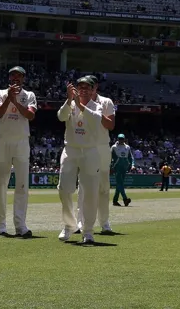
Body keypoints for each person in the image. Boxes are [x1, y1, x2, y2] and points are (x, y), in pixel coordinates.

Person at [56, 76, 103, 244]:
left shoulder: (97, 107)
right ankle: (69, 226)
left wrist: (79, 103)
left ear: (92, 90)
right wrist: (69, 100)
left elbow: (95, 120)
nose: (83, 90)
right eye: (80, 87)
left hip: (90, 152)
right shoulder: (71, 104)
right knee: (64, 189)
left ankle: (88, 231)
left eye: (87, 87)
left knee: (90, 192)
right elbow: (61, 117)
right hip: (70, 150)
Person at [0, 66, 37, 237]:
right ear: (9, 78)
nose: (16, 79)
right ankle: (1, 225)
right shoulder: (0, 93)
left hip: (21, 142)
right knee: (0, 184)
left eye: (19, 76)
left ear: (23, 78)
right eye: (13, 76)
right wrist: (8, 98)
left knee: (22, 185)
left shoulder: (29, 95)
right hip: (3, 141)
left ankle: (20, 226)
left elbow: (30, 115)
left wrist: (16, 101)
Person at [77, 75, 116, 234]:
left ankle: (105, 223)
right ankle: (80, 223)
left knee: (103, 187)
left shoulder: (106, 102)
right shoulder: (77, 102)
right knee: (83, 187)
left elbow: (111, 125)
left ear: (95, 87)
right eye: (84, 86)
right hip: (85, 147)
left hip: (101, 147)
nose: (87, 89)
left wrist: (95, 113)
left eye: (90, 86)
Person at [110, 134, 134, 207]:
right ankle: (125, 199)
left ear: (124, 139)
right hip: (116, 167)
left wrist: (132, 165)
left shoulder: (127, 147)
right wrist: (110, 167)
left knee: (119, 184)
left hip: (124, 167)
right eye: (119, 138)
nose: (121, 140)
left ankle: (115, 201)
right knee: (120, 183)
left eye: (122, 139)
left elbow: (130, 157)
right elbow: (110, 157)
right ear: (117, 139)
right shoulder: (114, 147)